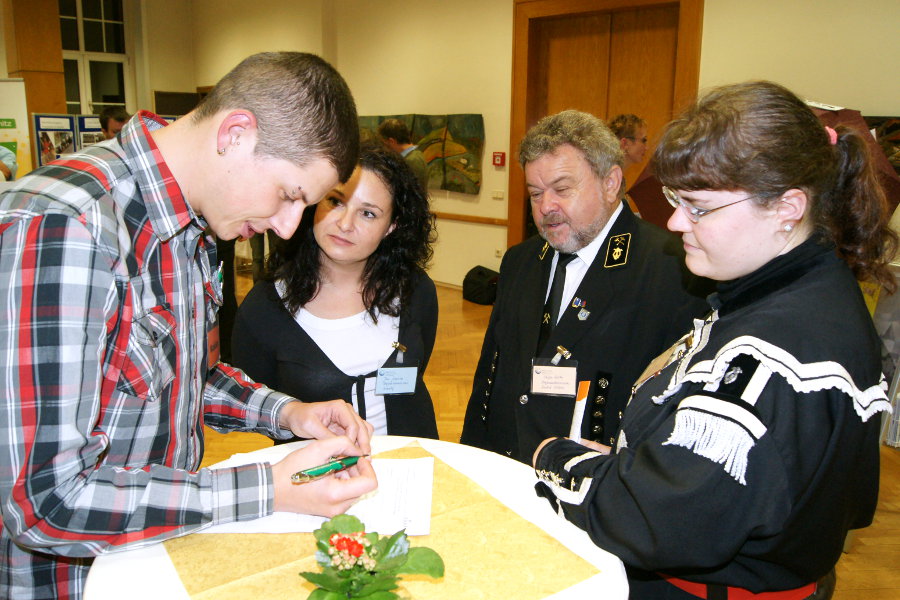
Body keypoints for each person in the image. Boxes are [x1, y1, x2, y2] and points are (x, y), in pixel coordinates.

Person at [0, 52, 377, 600]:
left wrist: (288, 412)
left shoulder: (196, 225)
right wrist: (266, 489)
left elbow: (177, 377)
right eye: (291, 195)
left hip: (153, 559)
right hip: (70, 584)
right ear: (235, 133)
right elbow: (43, 502)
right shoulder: (66, 229)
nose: (290, 225)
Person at [532, 81, 897, 599]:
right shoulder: (800, 289)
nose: (677, 221)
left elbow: (660, 521)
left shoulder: (777, 352)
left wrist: (563, 459)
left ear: (787, 206)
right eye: (677, 200)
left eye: (699, 206)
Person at [460, 109, 709, 464]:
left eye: (562, 189)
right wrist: (473, 455)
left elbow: (678, 401)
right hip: (506, 462)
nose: (547, 207)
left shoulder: (671, 269)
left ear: (610, 183)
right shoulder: (521, 261)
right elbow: (492, 370)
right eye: (534, 193)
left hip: (595, 481)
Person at [233, 143, 439, 439]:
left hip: (412, 466)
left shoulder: (416, 291)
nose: (345, 224)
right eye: (335, 201)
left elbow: (417, 370)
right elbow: (255, 404)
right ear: (314, 202)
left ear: (391, 226)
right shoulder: (265, 307)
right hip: (316, 478)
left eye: (368, 213)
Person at [608, 113, 648, 216]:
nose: (646, 147)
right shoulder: (607, 179)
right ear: (625, 143)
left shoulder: (619, 178)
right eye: (643, 140)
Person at [378, 118, 428, 191]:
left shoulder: (412, 160)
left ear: (391, 141)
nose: (384, 148)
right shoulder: (415, 155)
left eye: (384, 143)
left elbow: (411, 195)